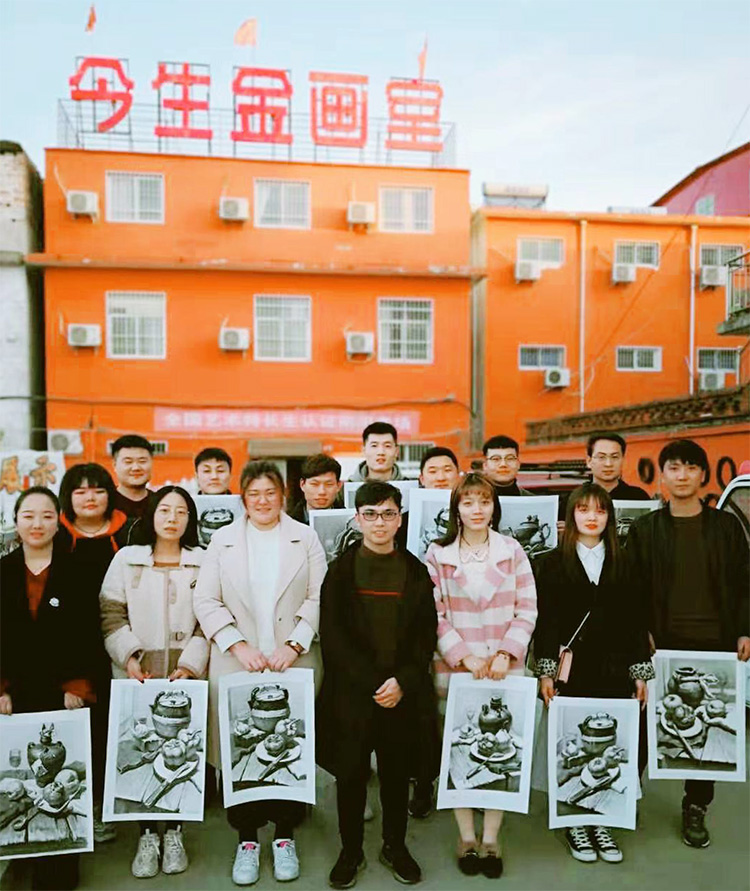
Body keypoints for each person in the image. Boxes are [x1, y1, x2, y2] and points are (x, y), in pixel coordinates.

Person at [193, 460, 326, 886]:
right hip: (238, 663)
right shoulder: (223, 540)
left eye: (270, 493)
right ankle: (247, 839)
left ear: (283, 496)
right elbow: (206, 600)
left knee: (287, 747)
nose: (263, 501)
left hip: (293, 662)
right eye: (254, 494)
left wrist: (294, 644)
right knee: (242, 751)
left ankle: (285, 835)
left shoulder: (304, 537)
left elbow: (319, 596)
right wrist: (237, 644)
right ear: (243, 499)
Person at [627, 439, 750, 850]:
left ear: (702, 475)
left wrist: (745, 629)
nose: (681, 476)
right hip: (659, 643)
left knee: (705, 730)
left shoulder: (726, 528)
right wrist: (639, 631)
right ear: (662, 476)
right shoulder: (646, 529)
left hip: (714, 644)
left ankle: (696, 806)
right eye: (674, 468)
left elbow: (744, 582)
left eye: (690, 468)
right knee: (644, 724)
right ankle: (625, 795)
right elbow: (632, 588)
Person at [318, 482, 438, 889]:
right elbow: (333, 638)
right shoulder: (340, 572)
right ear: (357, 519)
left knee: (395, 776)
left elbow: (425, 636)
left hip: (401, 696)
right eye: (370, 514)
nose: (379, 522)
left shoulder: (416, 571)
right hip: (353, 695)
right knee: (350, 777)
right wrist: (373, 682)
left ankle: (395, 846)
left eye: (388, 514)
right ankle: (350, 851)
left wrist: (402, 681)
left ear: (400, 520)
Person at [425, 472, 537, 879]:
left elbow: (528, 608)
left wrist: (507, 653)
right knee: (460, 748)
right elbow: (433, 615)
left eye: (484, 502)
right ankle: (466, 836)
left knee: (503, 748)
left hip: (506, 667)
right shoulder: (438, 554)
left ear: (494, 507)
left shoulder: (513, 550)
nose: (477, 509)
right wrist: (464, 657)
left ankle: (491, 837)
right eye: (468, 502)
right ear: (456, 508)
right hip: (457, 669)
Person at [534, 483, 653, 864]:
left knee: (611, 740)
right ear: (571, 515)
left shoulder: (626, 561)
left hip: (615, 667)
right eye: (583, 509)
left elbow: (636, 620)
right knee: (573, 739)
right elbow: (546, 622)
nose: (591, 517)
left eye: (600, 511)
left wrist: (639, 672)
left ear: (609, 517)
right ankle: (575, 822)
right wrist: (546, 673)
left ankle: (602, 821)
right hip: (573, 668)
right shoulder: (551, 562)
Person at [100, 486, 208, 879]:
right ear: (151, 515)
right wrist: (128, 655)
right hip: (137, 673)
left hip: (185, 674)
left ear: (190, 519)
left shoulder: (203, 560)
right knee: (144, 748)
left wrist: (192, 665)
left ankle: (175, 831)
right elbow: (111, 612)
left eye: (181, 511)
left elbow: (209, 618)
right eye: (165, 510)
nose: (172, 518)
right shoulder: (127, 559)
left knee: (180, 752)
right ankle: (146, 835)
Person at [1, 487, 98, 891]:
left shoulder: (77, 569)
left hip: (63, 692)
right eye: (28, 515)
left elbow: (89, 633)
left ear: (59, 521)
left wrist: (77, 685)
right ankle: (17, 853)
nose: (37, 524)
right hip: (12, 693)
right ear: (16, 521)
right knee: (19, 776)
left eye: (46, 515)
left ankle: (57, 865)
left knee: (59, 775)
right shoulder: (3, 570)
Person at [56, 462, 129, 844]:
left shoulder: (128, 534)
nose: (90, 497)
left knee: (112, 727)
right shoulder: (54, 536)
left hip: (120, 643)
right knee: (78, 729)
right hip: (68, 648)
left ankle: (113, 802)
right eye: (80, 490)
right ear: (68, 497)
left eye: (98, 490)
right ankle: (83, 808)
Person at [406, 445, 462, 819]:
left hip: (464, 628)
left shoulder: (474, 514)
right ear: (421, 478)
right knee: (421, 710)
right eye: (433, 471)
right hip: (414, 623)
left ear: (458, 475)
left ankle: (462, 781)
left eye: (447, 470)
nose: (441, 477)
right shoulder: (406, 518)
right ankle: (423, 781)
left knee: (458, 710)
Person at [586, 433, 650, 500]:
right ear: (589, 461)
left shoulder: (638, 497)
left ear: (623, 460)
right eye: (601, 457)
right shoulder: (579, 497)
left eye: (614, 457)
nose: (608, 464)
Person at [111, 434, 158, 520]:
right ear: (114, 465)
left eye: (142, 461)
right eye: (128, 462)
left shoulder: (161, 503)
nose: (136, 468)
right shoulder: (105, 504)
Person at [288, 453, 344, 524]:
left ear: (338, 486)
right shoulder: (288, 523)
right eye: (314, 484)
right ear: (302, 484)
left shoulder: (351, 522)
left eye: (329, 484)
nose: (322, 492)